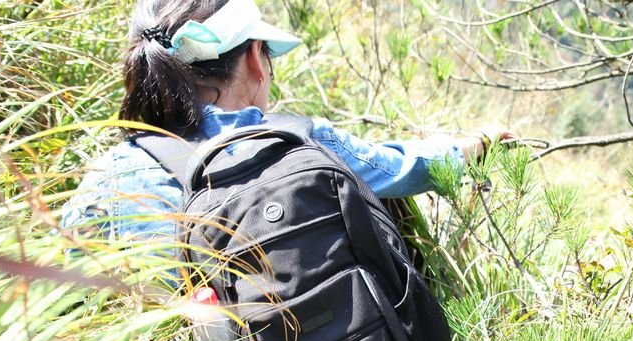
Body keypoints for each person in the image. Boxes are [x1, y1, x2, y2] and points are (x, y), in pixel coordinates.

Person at [61, 0, 515, 249]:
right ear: (255, 59)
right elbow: (402, 168)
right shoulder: (302, 141)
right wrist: (477, 144)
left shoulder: (112, 175)